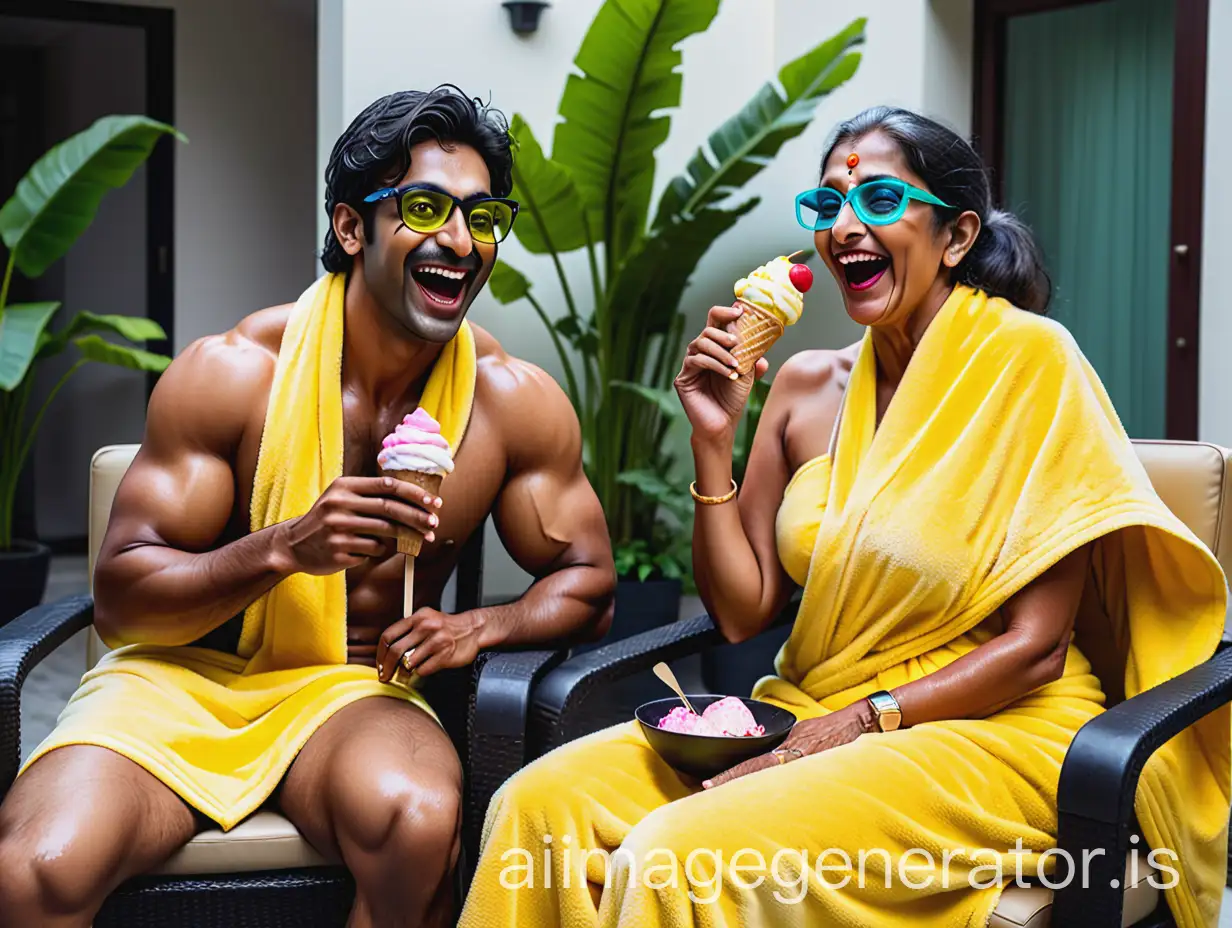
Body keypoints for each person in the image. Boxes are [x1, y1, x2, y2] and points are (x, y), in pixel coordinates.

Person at [458, 106, 1229, 928]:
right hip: (808, 704)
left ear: (957, 235)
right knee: (535, 808)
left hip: (991, 729)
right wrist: (712, 443)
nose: (847, 227)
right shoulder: (800, 386)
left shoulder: (1034, 366)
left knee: (678, 858)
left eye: (882, 201)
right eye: (828, 206)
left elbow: (1035, 650)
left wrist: (860, 723)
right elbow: (743, 608)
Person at [0, 86, 614, 928]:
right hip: (180, 680)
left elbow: (589, 580)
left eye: (481, 216)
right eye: (426, 207)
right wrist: (286, 546)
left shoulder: (514, 403)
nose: (460, 242)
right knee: (35, 869)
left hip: (356, 689)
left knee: (420, 825)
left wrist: (479, 629)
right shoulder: (232, 374)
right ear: (351, 228)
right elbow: (124, 599)